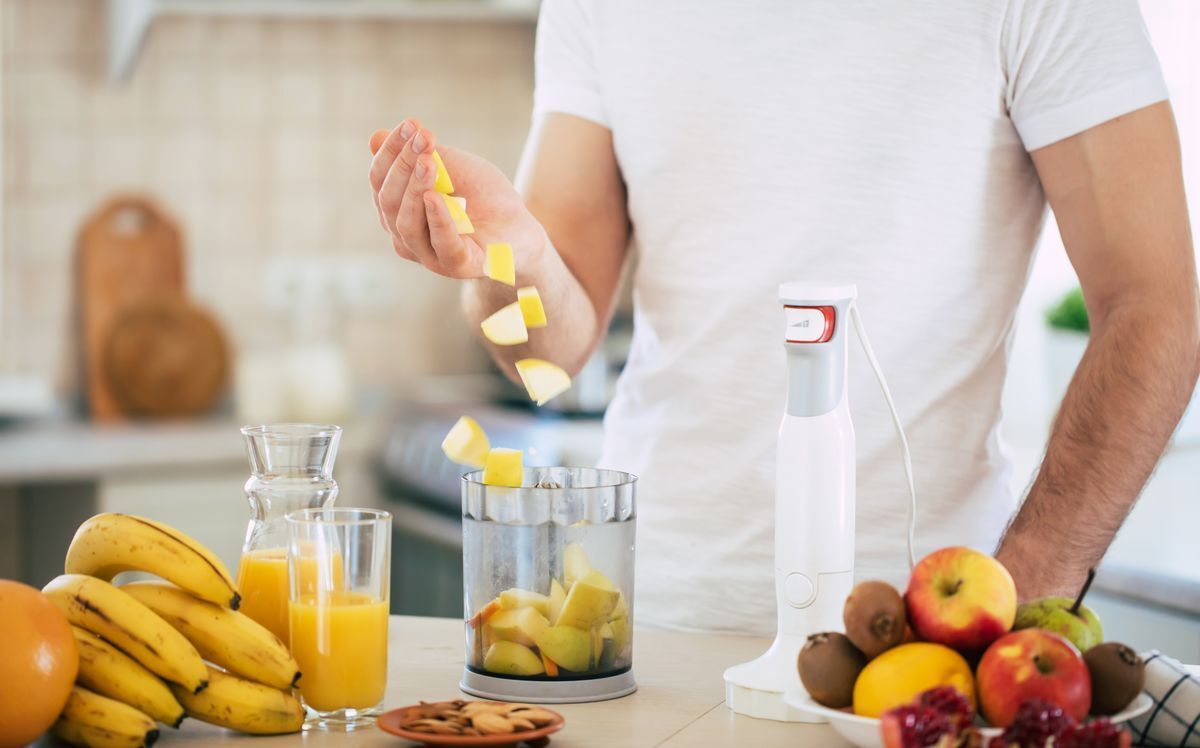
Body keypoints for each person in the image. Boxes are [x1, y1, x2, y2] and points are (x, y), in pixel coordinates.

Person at [368, 0, 1200, 636]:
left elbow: (1157, 307)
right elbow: (547, 361)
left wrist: (1004, 615)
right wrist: (505, 259)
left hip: (914, 640)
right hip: (643, 624)